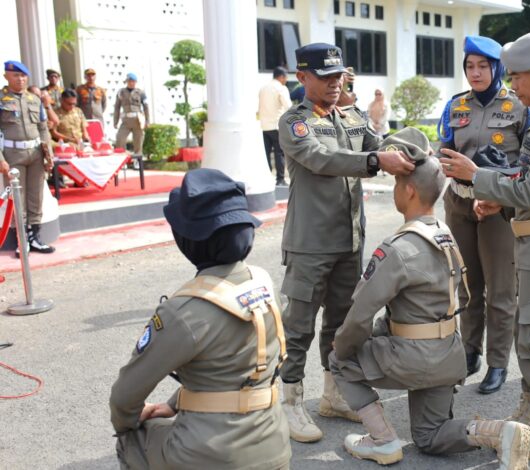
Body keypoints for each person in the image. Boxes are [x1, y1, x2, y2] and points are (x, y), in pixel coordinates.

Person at [329, 128, 530, 468]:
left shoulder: (397, 249)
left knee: (339, 358)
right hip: (447, 356)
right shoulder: (445, 235)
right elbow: (465, 297)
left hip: (412, 357)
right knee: (429, 436)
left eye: (397, 185)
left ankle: (382, 440)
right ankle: (500, 432)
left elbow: (359, 317)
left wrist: (342, 347)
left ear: (408, 191)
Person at [440, 31, 530, 460]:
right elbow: (523, 182)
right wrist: (495, 203)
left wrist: (475, 176)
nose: (515, 85)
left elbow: (528, 189)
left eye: (520, 77)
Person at [276, 42, 415, 443]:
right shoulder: (295, 123)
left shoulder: (352, 116)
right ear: (303, 78)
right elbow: (322, 159)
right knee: (299, 325)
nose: (335, 83)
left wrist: (410, 152)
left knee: (341, 322)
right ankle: (290, 401)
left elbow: (379, 145)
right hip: (309, 243)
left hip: (349, 241)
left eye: (339, 76)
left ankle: (333, 394)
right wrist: (375, 162)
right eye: (325, 76)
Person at [109, 168, 291, 470]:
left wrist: (127, 422)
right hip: (274, 445)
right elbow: (238, 373)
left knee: (131, 438)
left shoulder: (184, 312)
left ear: (189, 240)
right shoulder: (263, 283)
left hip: (210, 457)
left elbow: (124, 397)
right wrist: (175, 402)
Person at [437, 35, 530, 395]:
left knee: (501, 290)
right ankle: (470, 350)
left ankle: (497, 362)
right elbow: (444, 148)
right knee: (467, 284)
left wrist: (493, 189)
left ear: (497, 68)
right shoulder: (455, 106)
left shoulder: (518, 106)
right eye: (469, 66)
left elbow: (528, 163)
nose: (475, 73)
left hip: (499, 209)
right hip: (460, 204)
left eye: (483, 66)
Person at [0, 60, 55, 256]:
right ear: (6, 76)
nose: (20, 79)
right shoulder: (1, 99)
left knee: (35, 197)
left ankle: (35, 238)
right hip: (12, 155)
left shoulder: (34, 99)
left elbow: (43, 128)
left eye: (23, 76)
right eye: (16, 75)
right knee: (18, 198)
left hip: (35, 154)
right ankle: (22, 241)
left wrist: (48, 153)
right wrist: (1, 160)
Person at [258, 66, 292, 186]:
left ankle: (266, 178)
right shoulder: (281, 88)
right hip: (277, 125)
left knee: (266, 153)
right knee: (279, 153)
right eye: (286, 77)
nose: (286, 80)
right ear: (281, 77)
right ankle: (280, 179)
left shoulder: (263, 88)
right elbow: (288, 107)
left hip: (264, 126)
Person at [113, 73, 150, 153]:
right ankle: (122, 159)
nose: (131, 83)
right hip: (126, 120)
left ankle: (137, 161)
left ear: (135, 82)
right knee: (120, 139)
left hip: (137, 120)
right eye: (129, 81)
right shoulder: (121, 92)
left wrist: (147, 121)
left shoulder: (140, 93)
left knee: (138, 141)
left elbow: (146, 107)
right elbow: (117, 107)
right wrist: (115, 121)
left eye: (133, 81)